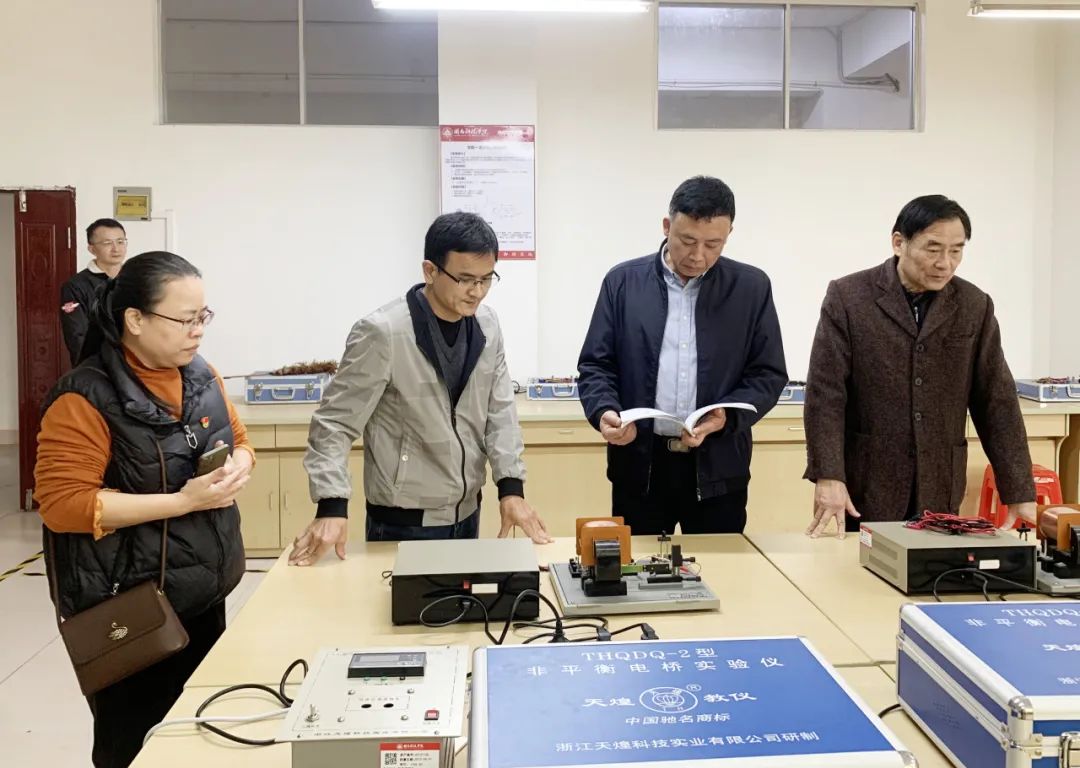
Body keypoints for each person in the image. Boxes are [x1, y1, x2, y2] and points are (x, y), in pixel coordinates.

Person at [36, 252, 253, 768]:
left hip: (200, 591)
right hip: (129, 610)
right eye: (185, 319)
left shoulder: (201, 375)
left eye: (203, 316)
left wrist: (238, 465)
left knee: (197, 737)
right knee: (137, 746)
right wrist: (183, 502)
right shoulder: (83, 398)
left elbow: (240, 441)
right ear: (134, 319)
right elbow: (63, 505)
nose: (198, 330)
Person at [289, 212, 551, 565]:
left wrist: (511, 488)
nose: (477, 291)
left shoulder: (487, 325)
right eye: (465, 279)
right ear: (430, 271)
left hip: (467, 512)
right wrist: (332, 504)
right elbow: (334, 423)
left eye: (487, 279)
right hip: (403, 522)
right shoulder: (383, 332)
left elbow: (499, 411)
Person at [803, 194, 1036, 538]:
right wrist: (829, 475)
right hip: (866, 484)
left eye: (956, 250)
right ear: (899, 243)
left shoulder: (974, 306)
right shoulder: (849, 297)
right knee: (857, 569)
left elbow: (996, 401)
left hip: (940, 482)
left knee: (934, 567)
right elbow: (826, 394)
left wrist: (1018, 490)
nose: (945, 263)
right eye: (933, 249)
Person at [577, 176, 788, 535]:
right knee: (638, 566)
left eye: (713, 244)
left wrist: (728, 417)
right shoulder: (623, 282)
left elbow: (768, 373)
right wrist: (604, 410)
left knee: (722, 565)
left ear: (729, 234)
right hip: (640, 465)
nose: (698, 255)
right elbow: (596, 365)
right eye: (687, 241)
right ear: (667, 226)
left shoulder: (751, 288)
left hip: (719, 467)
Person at [61, 218, 129, 366]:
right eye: (107, 243)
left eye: (120, 241)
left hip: (137, 366)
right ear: (91, 249)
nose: (116, 249)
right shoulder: (75, 286)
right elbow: (77, 336)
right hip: (97, 367)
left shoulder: (136, 278)